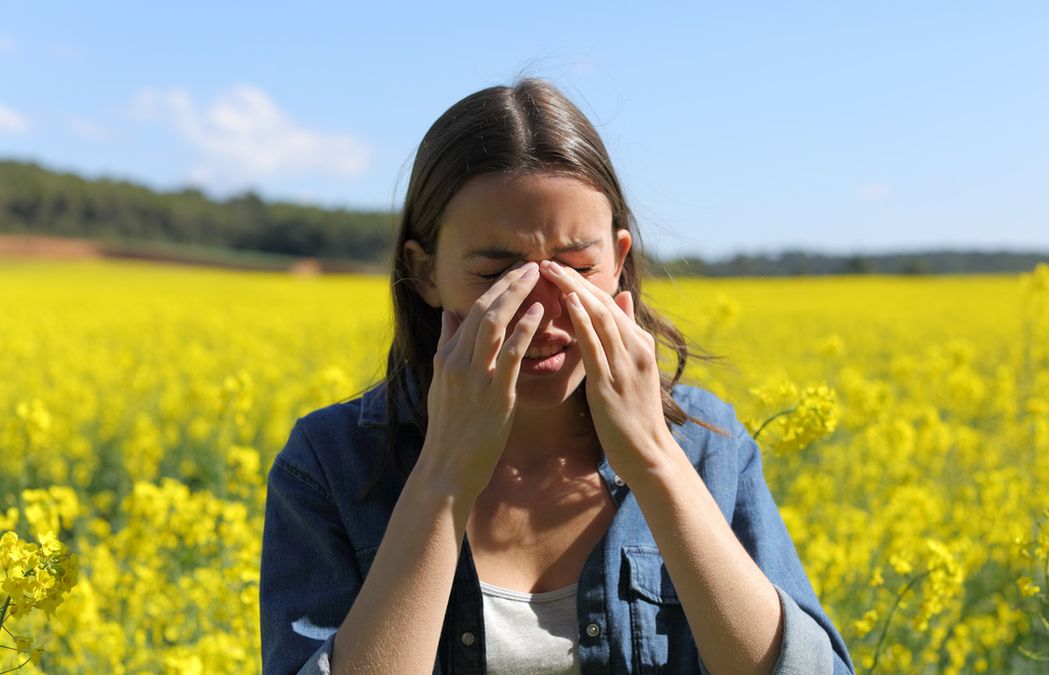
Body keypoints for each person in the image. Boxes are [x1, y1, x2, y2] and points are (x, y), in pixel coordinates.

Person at [259, 78, 853, 675]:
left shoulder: (707, 446)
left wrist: (652, 457)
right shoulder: (330, 464)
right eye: (497, 275)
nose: (541, 313)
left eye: (576, 268)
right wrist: (443, 476)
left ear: (620, 263)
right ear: (424, 272)